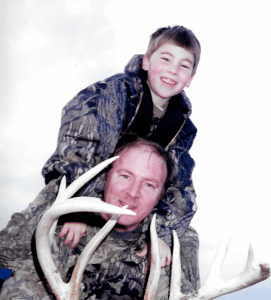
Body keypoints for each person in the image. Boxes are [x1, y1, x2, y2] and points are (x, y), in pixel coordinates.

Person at [0, 25, 200, 279]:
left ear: (191, 78)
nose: (173, 69)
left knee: (185, 236)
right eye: (166, 58)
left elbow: (181, 186)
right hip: (84, 191)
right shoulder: (115, 93)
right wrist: (78, 209)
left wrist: (161, 235)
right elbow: (81, 147)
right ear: (147, 62)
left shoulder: (183, 127)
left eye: (184, 65)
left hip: (129, 203)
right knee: (28, 240)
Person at [0, 139, 199, 300]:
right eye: (125, 176)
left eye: (148, 184)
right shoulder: (63, 225)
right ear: (105, 178)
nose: (132, 193)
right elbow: (21, 282)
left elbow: (177, 292)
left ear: (160, 196)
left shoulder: (169, 243)